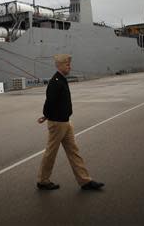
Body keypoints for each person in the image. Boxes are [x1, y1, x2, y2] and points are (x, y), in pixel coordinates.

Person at [37, 54, 104, 191]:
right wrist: (46, 116)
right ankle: (42, 180)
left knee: (74, 151)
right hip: (57, 124)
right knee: (51, 152)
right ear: (60, 65)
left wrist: (46, 116)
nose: (70, 66)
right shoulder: (55, 81)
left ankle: (85, 181)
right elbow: (49, 102)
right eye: (67, 64)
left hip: (65, 122)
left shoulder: (61, 79)